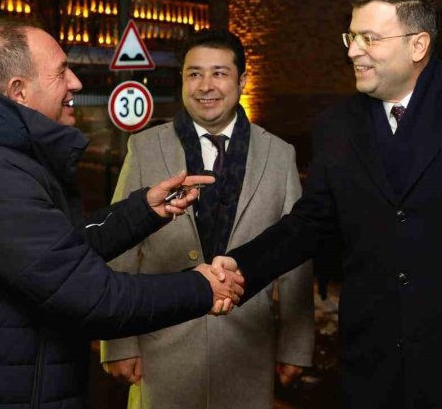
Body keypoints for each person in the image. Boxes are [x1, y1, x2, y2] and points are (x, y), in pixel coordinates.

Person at [214, 0, 442, 408]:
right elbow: (310, 224)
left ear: (418, 45)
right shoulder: (337, 126)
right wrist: (242, 268)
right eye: (351, 37)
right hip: (373, 366)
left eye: (369, 39)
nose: (353, 52)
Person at [0, 18, 243, 409]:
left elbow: (56, 253)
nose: (75, 83)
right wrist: (202, 287)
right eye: (61, 72)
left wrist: (143, 210)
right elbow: (92, 294)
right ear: (19, 91)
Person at [100, 29, 315, 408]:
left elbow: (297, 258)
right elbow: (120, 249)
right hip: (160, 350)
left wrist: (296, 347)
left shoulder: (279, 155)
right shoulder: (145, 147)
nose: (205, 86)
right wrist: (117, 343)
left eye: (219, 73)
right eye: (194, 74)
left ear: (242, 80)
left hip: (248, 349)